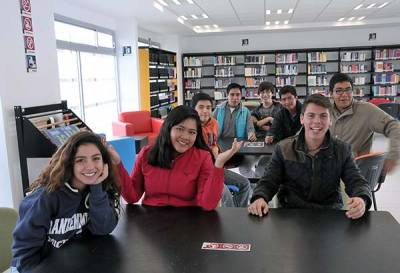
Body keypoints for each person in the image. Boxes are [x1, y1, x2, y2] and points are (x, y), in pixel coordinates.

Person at [11, 132, 122, 273]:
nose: (90, 166)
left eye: (96, 158)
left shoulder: (98, 190)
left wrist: (96, 187)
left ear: (104, 162)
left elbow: (103, 229)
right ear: (69, 163)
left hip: (71, 264)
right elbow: (25, 254)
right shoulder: (45, 197)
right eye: (80, 160)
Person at [248, 94, 372, 219]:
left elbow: (356, 180)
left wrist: (362, 199)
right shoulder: (284, 148)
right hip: (291, 216)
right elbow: (269, 180)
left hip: (329, 216)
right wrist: (260, 197)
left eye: (323, 116)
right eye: (311, 115)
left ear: (330, 120)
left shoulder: (342, 150)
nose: (317, 121)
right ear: (302, 119)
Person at [119, 105, 242, 211]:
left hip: (188, 223)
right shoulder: (146, 153)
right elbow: (132, 197)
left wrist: (219, 165)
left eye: (192, 132)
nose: (185, 137)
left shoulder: (202, 157)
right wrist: (117, 164)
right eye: (180, 129)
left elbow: (208, 204)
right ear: (168, 128)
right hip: (151, 222)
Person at [329, 72, 400, 174]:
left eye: (348, 90)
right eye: (339, 91)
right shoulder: (325, 111)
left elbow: (395, 126)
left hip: (354, 174)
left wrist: (393, 155)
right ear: (331, 93)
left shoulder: (366, 110)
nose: (344, 95)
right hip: (329, 170)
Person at [192, 92, 252, 207]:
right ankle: (228, 220)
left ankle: (238, 215)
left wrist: (224, 152)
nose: (205, 111)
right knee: (224, 194)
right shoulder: (191, 128)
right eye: (201, 107)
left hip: (215, 167)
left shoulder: (214, 123)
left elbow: (214, 144)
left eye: (208, 107)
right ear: (194, 109)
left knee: (245, 184)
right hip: (200, 172)